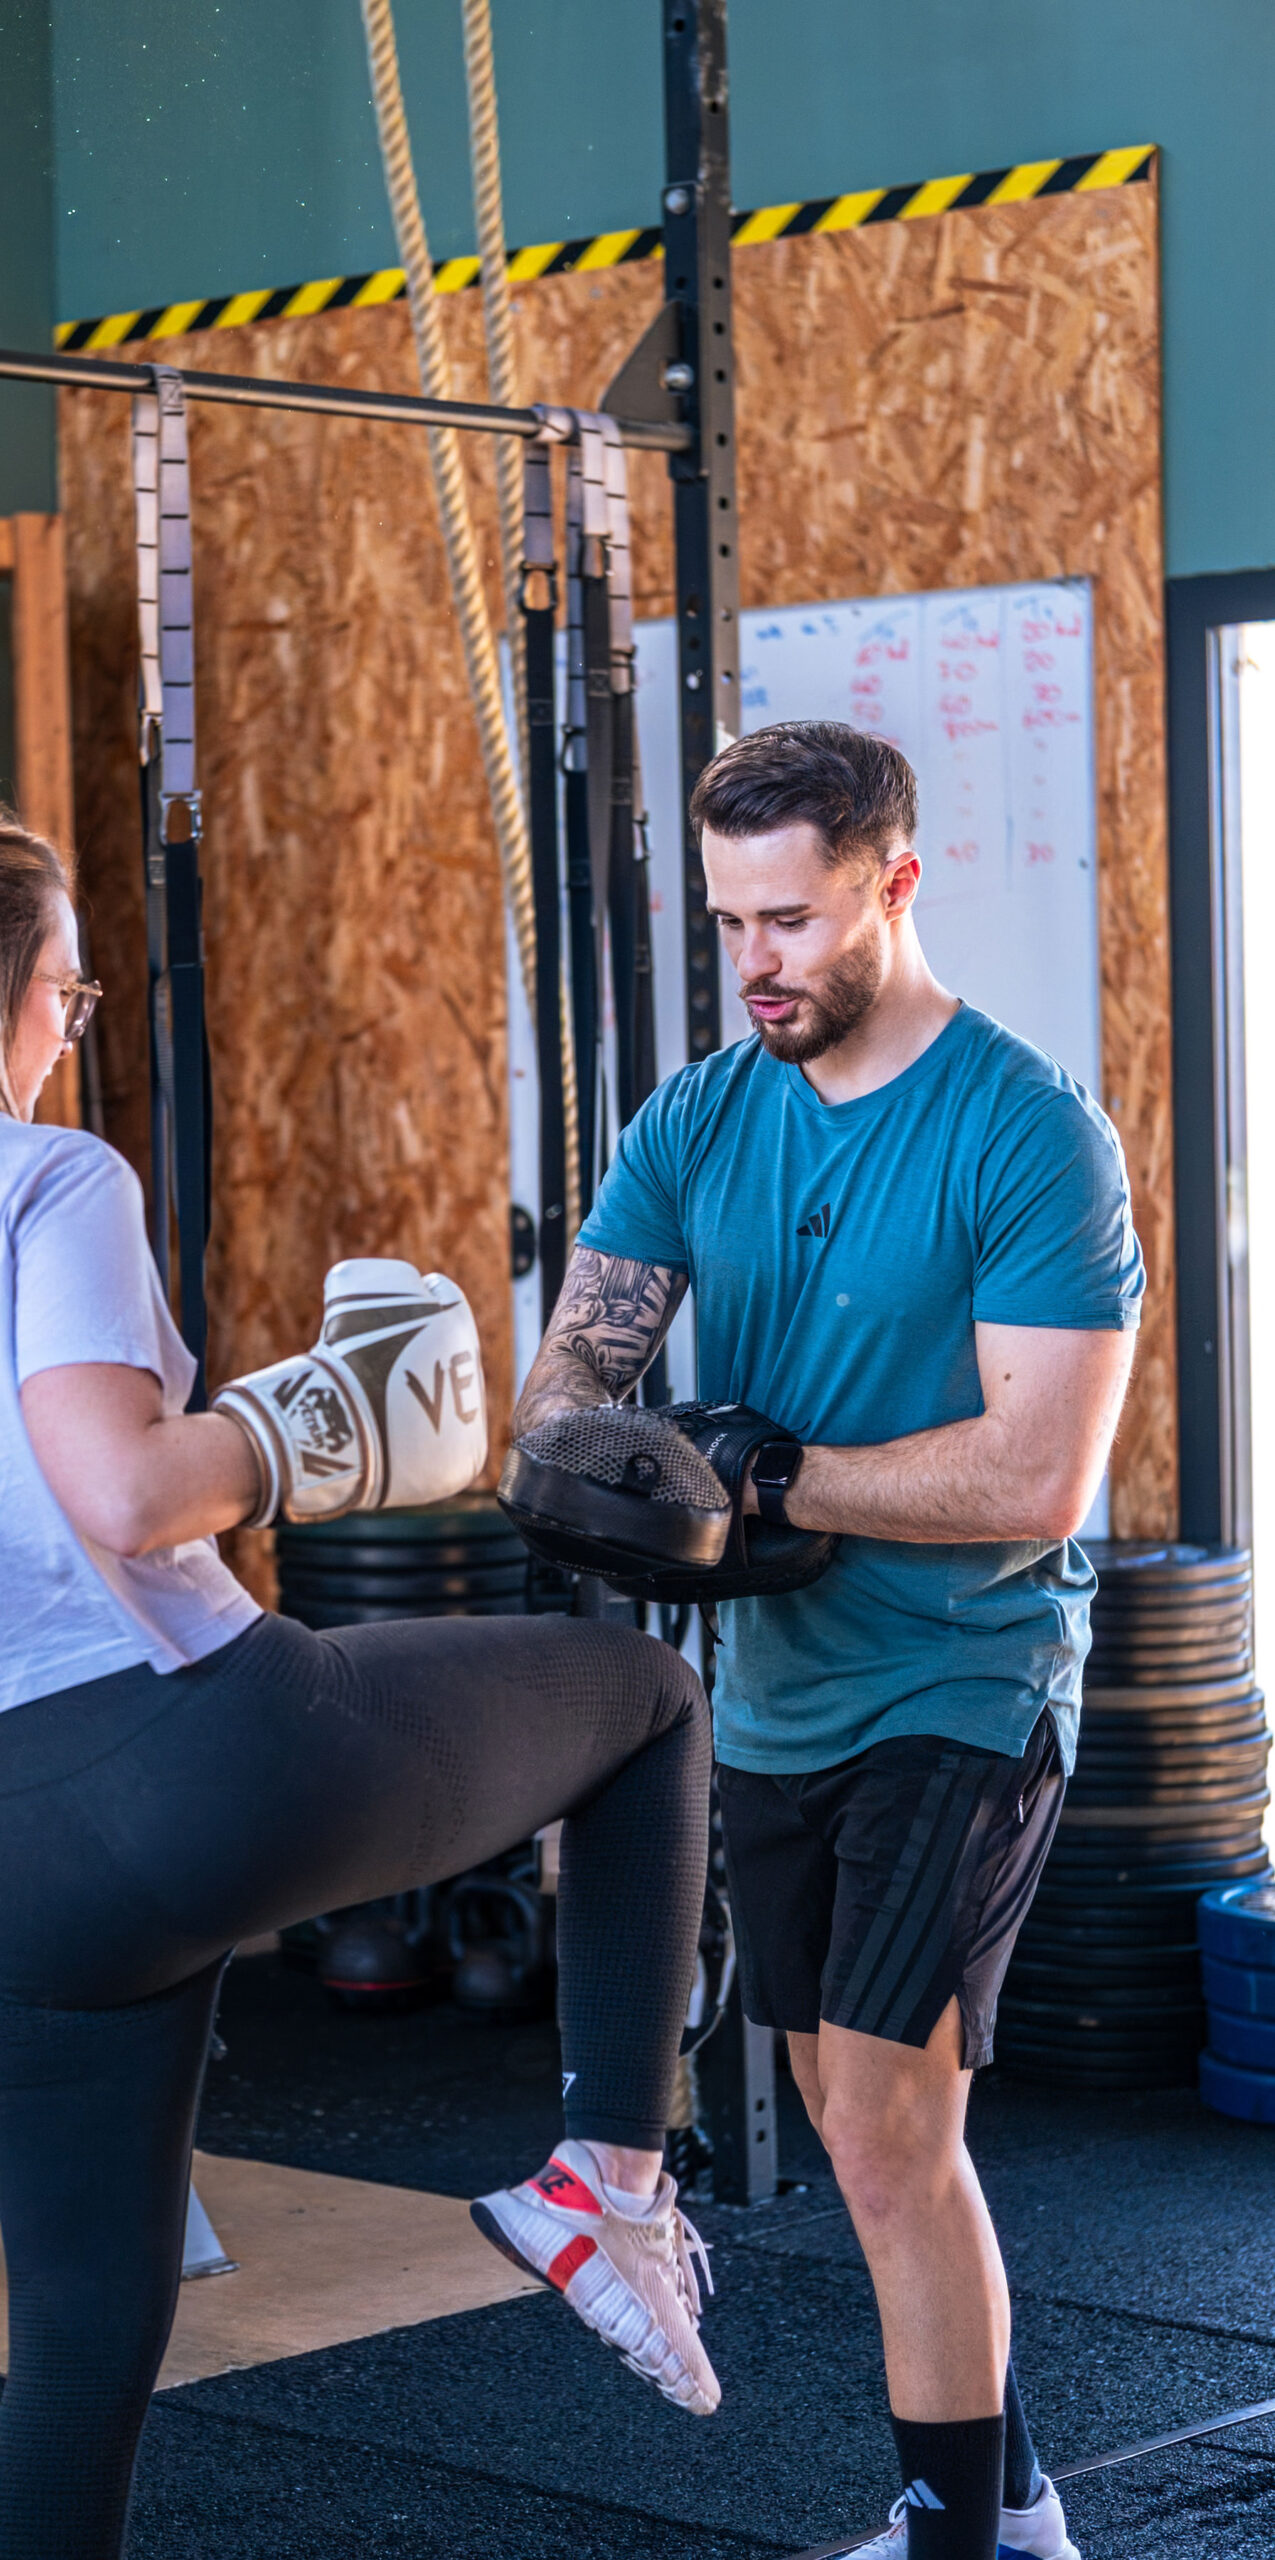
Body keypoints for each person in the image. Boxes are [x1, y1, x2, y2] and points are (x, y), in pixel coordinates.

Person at [0, 800, 721, 2560]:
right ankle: (611, 2181)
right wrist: (319, 1423)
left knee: (79, 2351)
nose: (67, 1028)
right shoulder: (51, 1181)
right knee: (643, 1702)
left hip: (5, 1853)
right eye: (65, 991)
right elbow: (122, 1491)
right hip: (216, 1754)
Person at [513, 722, 1142, 2560]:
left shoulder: (1026, 1133)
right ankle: (1016, 2507)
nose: (757, 962)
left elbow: (1038, 1473)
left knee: (880, 2129)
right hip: (778, 1691)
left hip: (967, 1677)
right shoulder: (700, 1117)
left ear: (896, 886)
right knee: (842, 2109)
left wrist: (767, 1479)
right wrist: (641, 1473)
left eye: (791, 920)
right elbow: (565, 1401)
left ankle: (957, 2542)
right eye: (730, 924)